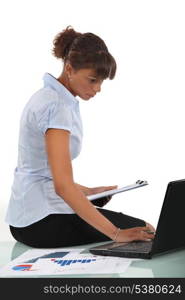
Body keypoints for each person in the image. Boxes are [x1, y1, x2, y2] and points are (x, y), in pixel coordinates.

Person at [5, 26, 155, 248]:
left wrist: (88, 192)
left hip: (26, 216)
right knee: (147, 231)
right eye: (93, 80)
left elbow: (42, 171)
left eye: (101, 81)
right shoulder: (56, 107)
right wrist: (116, 233)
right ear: (69, 69)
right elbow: (62, 186)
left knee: (142, 230)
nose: (98, 89)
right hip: (39, 221)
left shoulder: (49, 97)